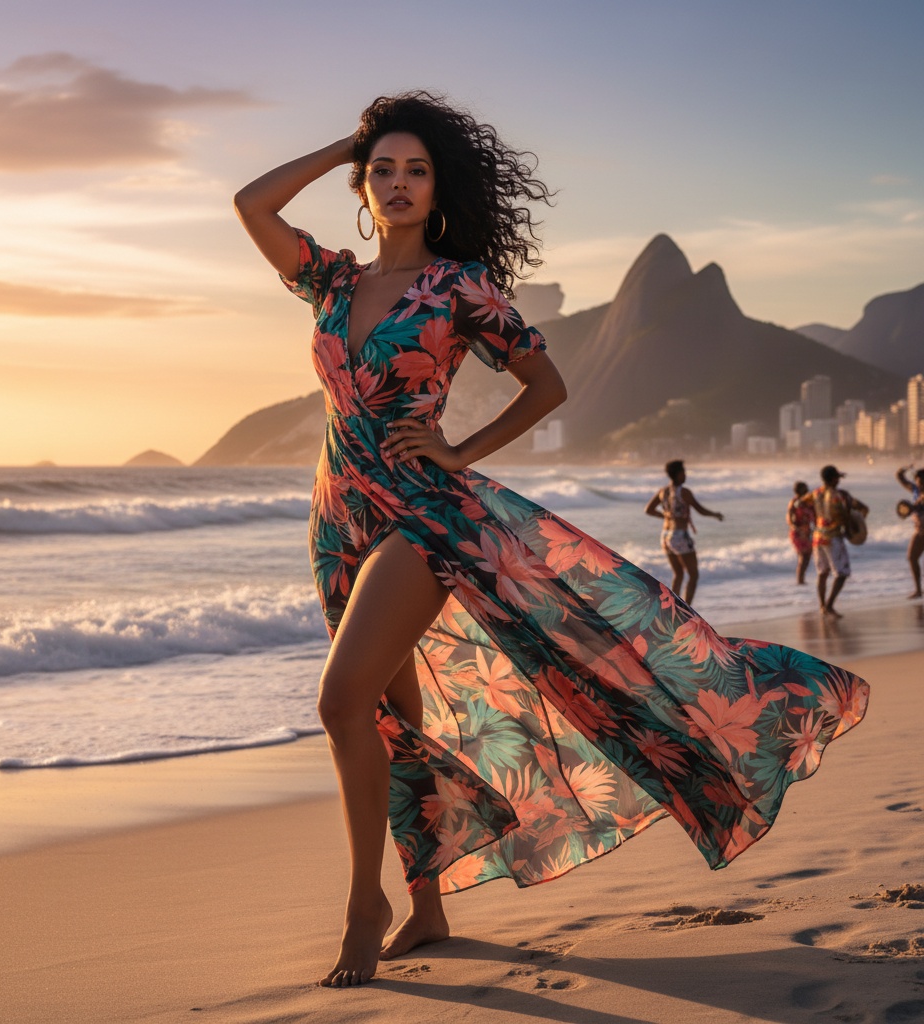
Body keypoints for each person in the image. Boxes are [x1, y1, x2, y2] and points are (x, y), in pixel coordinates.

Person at [234, 91, 869, 988]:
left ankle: (362, 906)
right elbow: (251, 205)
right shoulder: (331, 281)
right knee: (392, 716)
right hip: (338, 515)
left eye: (416, 170)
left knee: (341, 703)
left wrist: (458, 449)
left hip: (423, 514)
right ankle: (429, 902)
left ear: (437, 186)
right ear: (362, 186)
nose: (399, 184)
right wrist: (354, 139)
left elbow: (548, 384)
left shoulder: (460, 287)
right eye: (384, 171)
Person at [644, 460, 724, 604]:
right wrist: (715, 514)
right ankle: (688, 610)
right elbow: (700, 510)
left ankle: (673, 608)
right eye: (684, 472)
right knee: (693, 574)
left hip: (665, 536)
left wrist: (665, 516)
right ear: (678, 474)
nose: (685, 475)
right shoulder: (684, 492)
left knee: (678, 574)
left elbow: (648, 510)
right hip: (679, 535)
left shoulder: (663, 491)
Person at [799, 465, 869, 618]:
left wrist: (812, 521)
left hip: (817, 538)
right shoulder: (840, 495)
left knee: (822, 573)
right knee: (842, 573)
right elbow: (862, 509)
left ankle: (822, 606)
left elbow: (800, 503)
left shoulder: (815, 493)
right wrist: (855, 525)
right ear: (833, 479)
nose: (839, 480)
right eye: (837, 478)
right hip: (833, 538)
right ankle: (829, 606)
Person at [896, 466, 924, 599]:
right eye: (919, 481)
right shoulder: (915, 490)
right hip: (920, 532)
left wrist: (912, 507)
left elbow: (917, 505)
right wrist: (903, 469)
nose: (921, 484)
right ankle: (918, 590)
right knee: (912, 558)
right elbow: (900, 478)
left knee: (912, 558)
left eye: (923, 481)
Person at [786, 481, 814, 585]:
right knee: (803, 556)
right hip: (798, 533)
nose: (807, 490)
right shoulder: (795, 502)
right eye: (805, 488)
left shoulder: (808, 502)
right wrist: (796, 527)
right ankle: (800, 581)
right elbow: (790, 517)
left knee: (806, 556)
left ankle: (801, 580)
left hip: (806, 532)